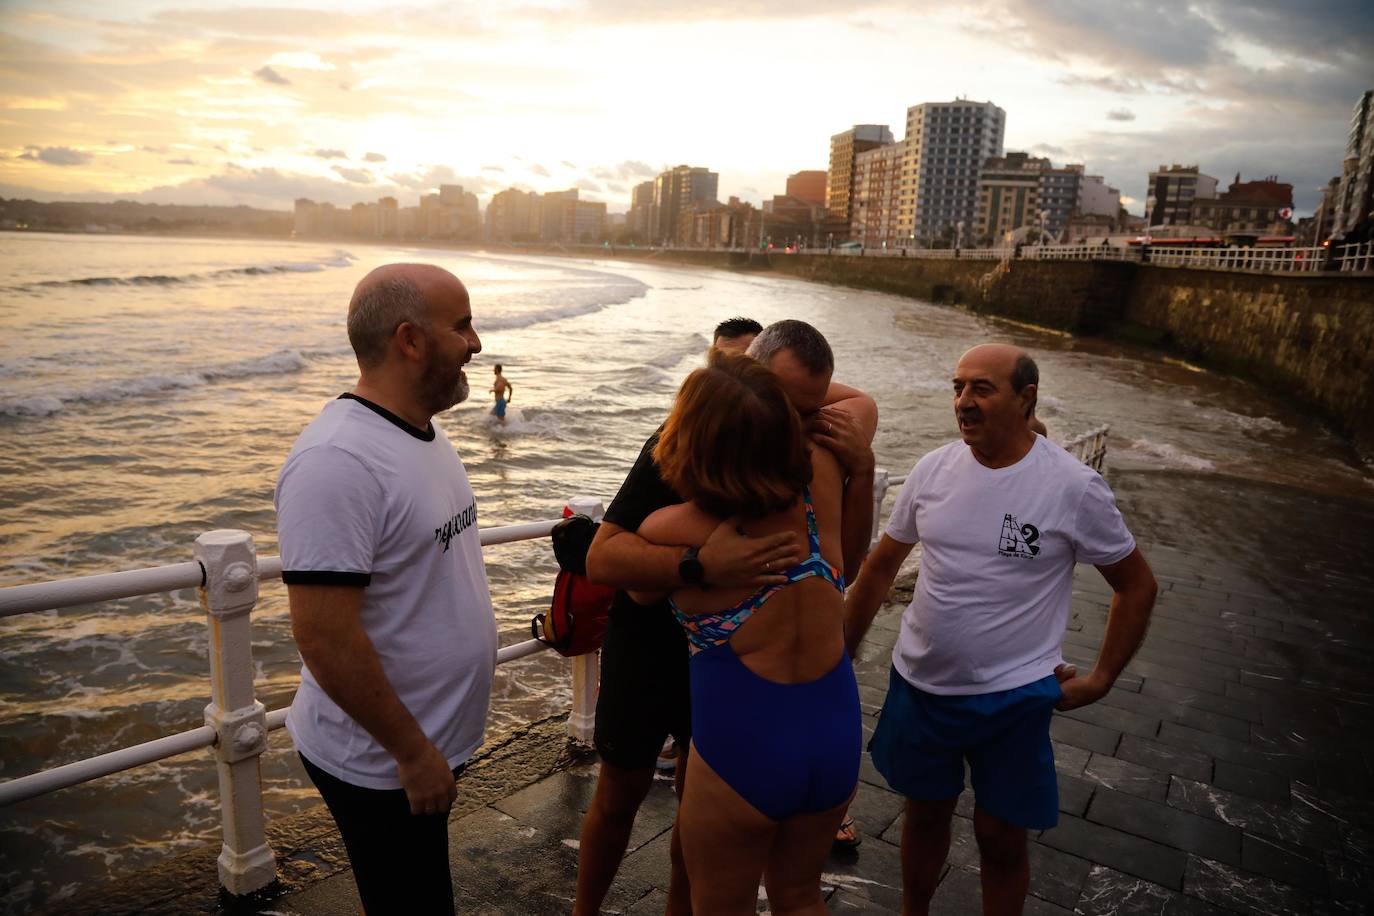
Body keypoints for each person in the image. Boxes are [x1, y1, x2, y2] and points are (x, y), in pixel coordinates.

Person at [572, 319, 877, 916]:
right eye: (787, 408)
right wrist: (699, 565)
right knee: (796, 892)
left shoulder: (691, 506)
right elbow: (603, 557)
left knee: (718, 890)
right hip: (829, 725)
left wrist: (693, 562)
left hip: (738, 725)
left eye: (808, 409)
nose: (797, 425)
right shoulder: (818, 473)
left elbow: (636, 589)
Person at [844, 344, 1157, 916]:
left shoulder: (1071, 486)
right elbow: (881, 566)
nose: (963, 401)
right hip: (921, 685)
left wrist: (1102, 678)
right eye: (958, 387)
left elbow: (1136, 584)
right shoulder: (933, 470)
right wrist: (839, 658)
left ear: (1025, 397)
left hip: (1013, 697)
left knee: (1001, 837)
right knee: (925, 816)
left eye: (981, 389)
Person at [274, 264, 495, 916]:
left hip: (423, 747)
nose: (476, 342)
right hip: (380, 760)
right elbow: (322, 633)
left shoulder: (422, 432)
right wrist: (412, 753)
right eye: (462, 326)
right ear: (409, 339)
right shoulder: (337, 462)